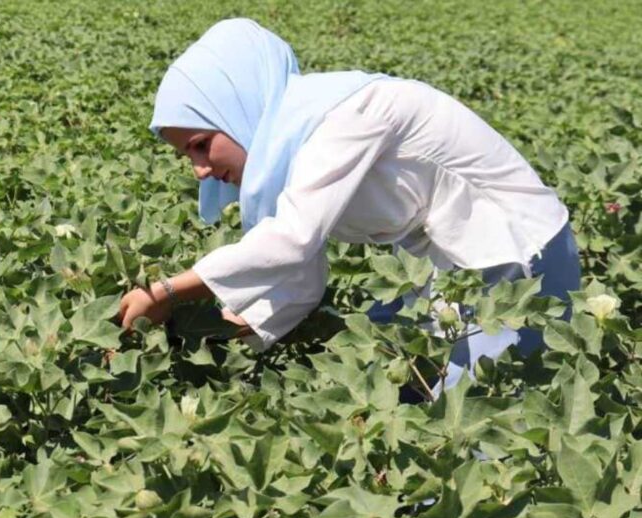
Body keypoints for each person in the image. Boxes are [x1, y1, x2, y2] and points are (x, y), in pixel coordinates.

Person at [116, 18, 580, 391]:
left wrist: (167, 292)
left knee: (479, 427)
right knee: (405, 387)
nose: (199, 169)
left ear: (236, 108)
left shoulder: (345, 117)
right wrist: (199, 330)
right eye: (187, 156)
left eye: (201, 144)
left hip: (517, 258)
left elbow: (291, 242)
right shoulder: (295, 148)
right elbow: (300, 276)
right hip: (451, 269)